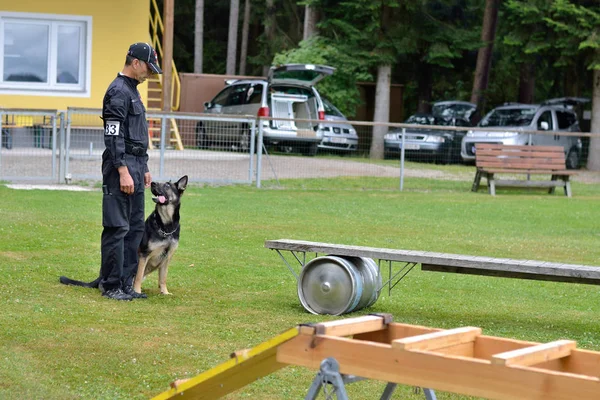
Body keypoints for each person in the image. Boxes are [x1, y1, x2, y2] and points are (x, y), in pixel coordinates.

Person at [99, 43, 162, 301]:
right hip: (121, 167)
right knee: (117, 226)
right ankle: (111, 284)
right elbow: (113, 137)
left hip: (136, 166)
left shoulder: (133, 92)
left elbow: (137, 135)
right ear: (135, 62)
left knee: (135, 227)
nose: (149, 73)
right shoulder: (117, 92)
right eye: (148, 67)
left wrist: (144, 167)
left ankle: (126, 283)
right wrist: (123, 170)